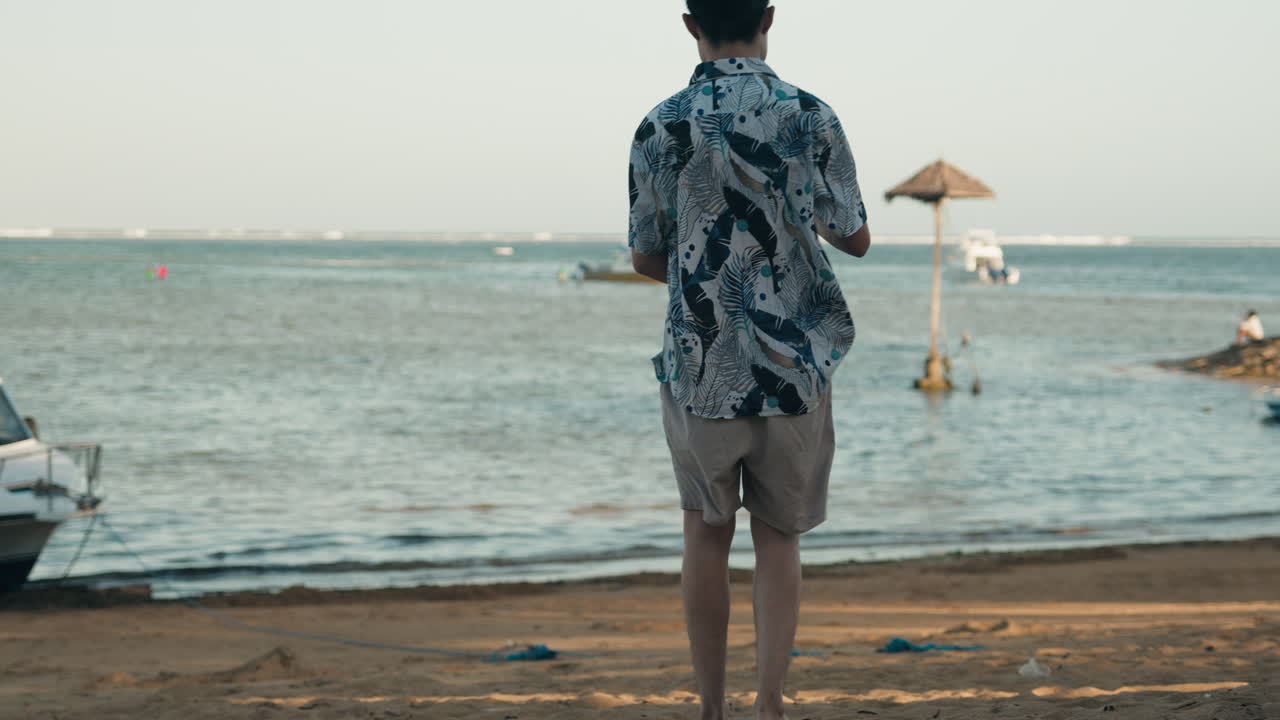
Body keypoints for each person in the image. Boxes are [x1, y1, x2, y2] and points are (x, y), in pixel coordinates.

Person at [627, 3, 870, 718]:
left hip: (700, 364)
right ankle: (768, 703)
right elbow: (853, 236)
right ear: (769, 17)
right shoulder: (811, 115)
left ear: (689, 24)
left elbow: (646, 255)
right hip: (794, 366)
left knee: (705, 533)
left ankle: (711, 708)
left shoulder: (661, 124)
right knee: (779, 538)